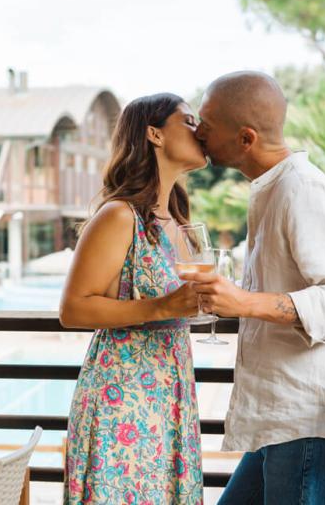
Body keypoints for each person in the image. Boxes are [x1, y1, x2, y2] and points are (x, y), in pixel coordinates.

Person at [181, 71, 325, 504]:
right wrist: (237, 297)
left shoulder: (303, 191)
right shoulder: (273, 190)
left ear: (246, 138)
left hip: (311, 426)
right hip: (285, 424)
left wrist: (244, 302)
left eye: (207, 123)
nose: (197, 131)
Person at [60, 93, 206, 504]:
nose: (200, 131)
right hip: (121, 398)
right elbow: (73, 309)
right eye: (189, 120)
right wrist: (163, 307)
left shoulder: (176, 221)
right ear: (155, 133)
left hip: (169, 395)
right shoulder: (120, 216)